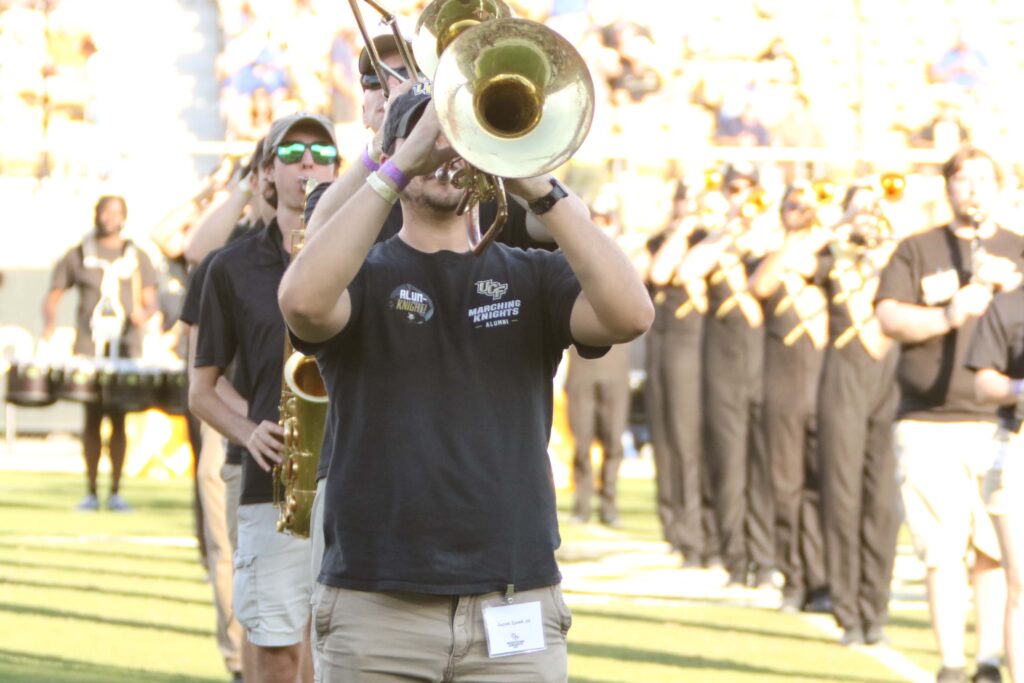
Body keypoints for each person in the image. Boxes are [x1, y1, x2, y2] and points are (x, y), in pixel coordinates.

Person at [279, 89, 653, 681]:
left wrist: (536, 182)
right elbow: (301, 302)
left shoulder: (533, 275)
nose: (449, 154)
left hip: (515, 600)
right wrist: (401, 159)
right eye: (434, 137)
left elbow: (632, 314)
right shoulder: (363, 277)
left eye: (464, 140)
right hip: (377, 609)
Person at [190, 112, 339, 683]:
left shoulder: (369, 257)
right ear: (267, 174)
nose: (309, 163)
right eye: (294, 152)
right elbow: (201, 390)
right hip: (272, 480)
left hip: (354, 482)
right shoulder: (228, 268)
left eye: (323, 155)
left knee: (341, 653)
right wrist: (249, 431)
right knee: (276, 650)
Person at [875, 146, 1024, 683]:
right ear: (949, 188)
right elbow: (888, 317)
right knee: (941, 550)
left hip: (1002, 424)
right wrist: (947, 314)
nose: (975, 189)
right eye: (965, 179)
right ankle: (951, 663)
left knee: (993, 554)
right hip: (929, 419)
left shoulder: (1019, 251)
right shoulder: (918, 249)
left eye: (986, 179)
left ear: (1001, 188)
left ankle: (987, 660)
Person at [178, 141, 273, 683]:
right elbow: (196, 248)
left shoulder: (331, 232)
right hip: (230, 418)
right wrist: (239, 181)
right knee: (228, 549)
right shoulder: (232, 250)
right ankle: (241, 664)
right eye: (284, 158)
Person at [678, 163, 776, 588]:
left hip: (769, 360)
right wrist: (727, 232)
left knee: (769, 464)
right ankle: (736, 556)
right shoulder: (713, 239)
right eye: (734, 188)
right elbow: (685, 272)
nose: (741, 196)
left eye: (748, 188)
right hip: (723, 360)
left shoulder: (773, 237)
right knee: (730, 462)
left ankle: (768, 555)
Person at [817, 184, 901, 646]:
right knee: (843, 498)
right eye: (862, 206)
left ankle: (877, 607)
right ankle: (848, 609)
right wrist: (843, 223)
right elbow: (784, 267)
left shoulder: (898, 256)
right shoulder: (830, 255)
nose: (870, 215)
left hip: (889, 387)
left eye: (876, 207)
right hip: (841, 385)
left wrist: (888, 225)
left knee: (883, 505)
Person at [42, 195, 158, 512]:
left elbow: (151, 299)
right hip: (89, 346)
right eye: (106, 211)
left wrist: (143, 315)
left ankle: (117, 491)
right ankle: (92, 490)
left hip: (125, 346)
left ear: (125, 216)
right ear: (96, 215)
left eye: (117, 212)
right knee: (92, 417)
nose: (111, 217)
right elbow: (54, 293)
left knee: (119, 419)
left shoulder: (137, 256)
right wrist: (49, 325)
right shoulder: (80, 253)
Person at [748, 181, 830, 613]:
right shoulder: (773, 256)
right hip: (782, 382)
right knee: (786, 485)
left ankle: (827, 578)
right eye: (794, 206)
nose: (802, 212)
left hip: (826, 381)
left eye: (809, 207)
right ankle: (795, 578)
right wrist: (792, 242)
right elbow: (760, 286)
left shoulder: (834, 256)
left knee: (825, 484)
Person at [643, 184, 716, 566]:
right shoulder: (659, 239)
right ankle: (672, 523)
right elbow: (650, 269)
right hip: (661, 345)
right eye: (681, 201)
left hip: (691, 347)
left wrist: (689, 229)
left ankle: (694, 531)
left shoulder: (706, 239)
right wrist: (677, 231)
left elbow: (665, 270)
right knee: (666, 438)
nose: (686, 207)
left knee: (688, 442)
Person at [967, 285, 1024, 682]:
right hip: (1016, 443)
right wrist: (1019, 388)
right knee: (1022, 582)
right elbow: (984, 383)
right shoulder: (1008, 306)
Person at [565, 204, 632, 528]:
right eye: (598, 222)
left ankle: (610, 504)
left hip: (615, 368)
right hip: (582, 366)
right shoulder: (578, 259)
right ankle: (582, 503)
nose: (603, 227)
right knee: (582, 439)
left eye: (608, 222)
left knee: (614, 440)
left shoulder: (624, 259)